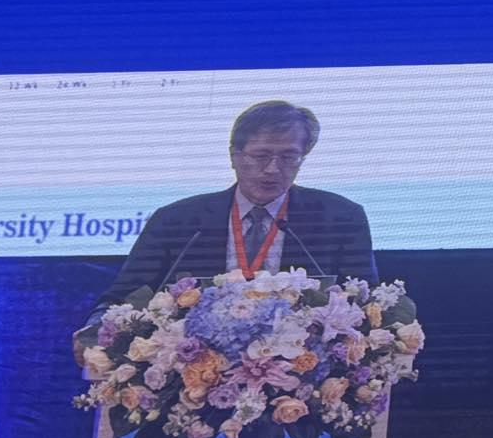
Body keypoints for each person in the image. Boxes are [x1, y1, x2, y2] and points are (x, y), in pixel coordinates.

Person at [91, 100, 374, 308]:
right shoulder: (176, 221)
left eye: (289, 157)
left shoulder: (342, 219)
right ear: (234, 156)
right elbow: (123, 298)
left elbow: (366, 303)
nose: (273, 169)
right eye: (261, 156)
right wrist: (95, 330)